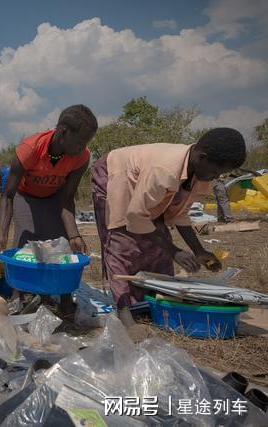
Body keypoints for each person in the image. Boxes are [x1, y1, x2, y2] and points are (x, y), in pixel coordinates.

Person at [91, 128, 247, 331]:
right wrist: (174, 251)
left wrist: (199, 251)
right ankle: (124, 311)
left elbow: (179, 213)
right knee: (122, 242)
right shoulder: (164, 170)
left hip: (145, 183)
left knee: (159, 241)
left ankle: (151, 300)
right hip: (115, 173)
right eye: (215, 172)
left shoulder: (198, 173)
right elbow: (136, 216)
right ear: (202, 158)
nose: (215, 177)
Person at [0, 105, 98, 314]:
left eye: (86, 143)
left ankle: (64, 298)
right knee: (25, 240)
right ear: (63, 133)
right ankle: (19, 297)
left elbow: (68, 199)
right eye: (80, 142)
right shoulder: (30, 149)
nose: (83, 147)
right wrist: (2, 233)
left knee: (61, 244)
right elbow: (8, 195)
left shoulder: (81, 157)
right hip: (25, 196)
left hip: (55, 197)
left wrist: (74, 235)